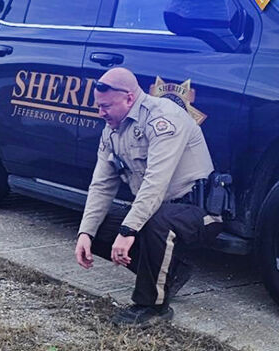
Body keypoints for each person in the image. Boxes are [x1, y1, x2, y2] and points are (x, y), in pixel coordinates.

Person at [74, 67, 223, 327]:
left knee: (156, 222)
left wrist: (128, 230)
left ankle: (152, 307)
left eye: (106, 106)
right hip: (161, 209)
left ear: (129, 98)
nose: (101, 113)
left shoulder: (164, 118)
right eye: (99, 106)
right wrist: (85, 233)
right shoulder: (112, 130)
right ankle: (171, 272)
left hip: (199, 212)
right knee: (99, 224)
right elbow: (101, 185)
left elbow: (156, 182)